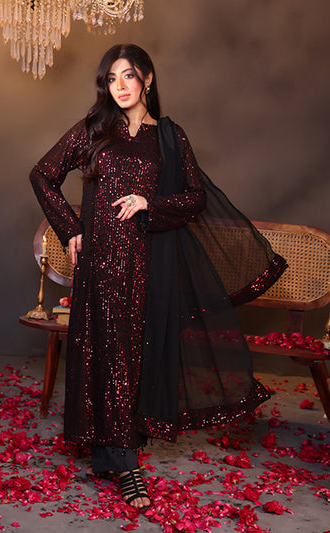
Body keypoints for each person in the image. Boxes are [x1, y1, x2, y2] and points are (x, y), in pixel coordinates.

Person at [29, 44, 287, 511]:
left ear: (148, 79)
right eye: (111, 78)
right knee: (108, 355)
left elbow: (195, 198)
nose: (120, 86)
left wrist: (150, 203)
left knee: (134, 359)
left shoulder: (169, 137)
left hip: (150, 266)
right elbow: (43, 175)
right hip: (101, 265)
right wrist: (71, 231)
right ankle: (126, 464)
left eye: (128, 76)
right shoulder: (94, 129)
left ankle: (113, 452)